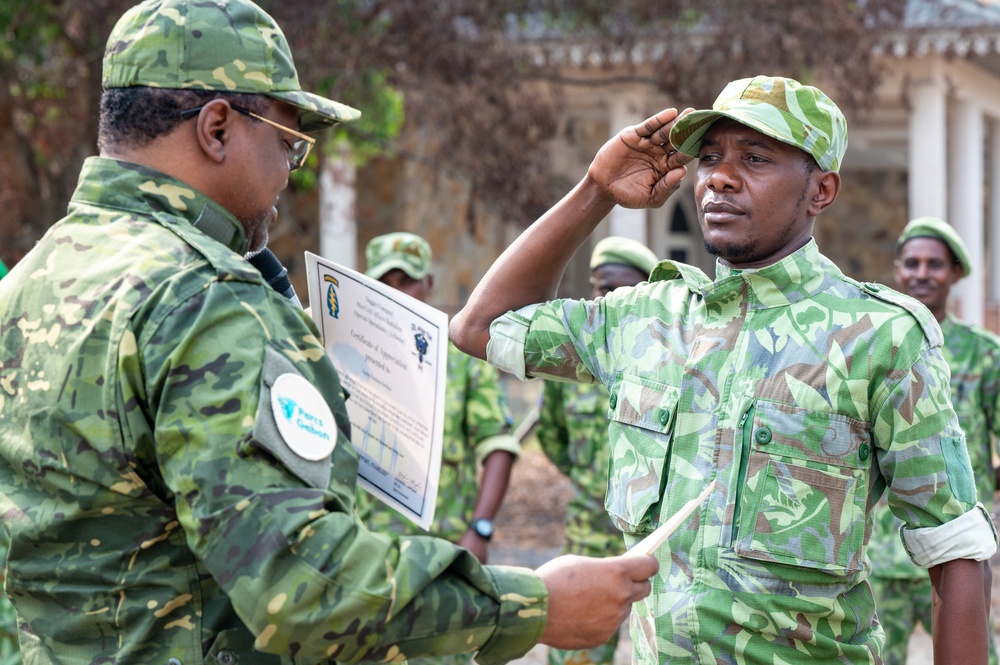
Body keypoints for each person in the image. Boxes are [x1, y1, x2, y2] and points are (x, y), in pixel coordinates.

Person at [0, 1, 658, 662]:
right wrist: (532, 605)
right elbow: (304, 587)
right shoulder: (202, 297)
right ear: (218, 128)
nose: (293, 170)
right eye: (288, 141)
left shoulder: (30, 280)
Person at [449, 75, 998, 664]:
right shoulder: (646, 319)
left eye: (755, 158)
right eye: (709, 158)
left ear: (821, 190)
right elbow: (480, 327)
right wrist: (595, 189)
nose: (719, 177)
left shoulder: (881, 335)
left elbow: (955, 550)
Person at [869, 216, 1000, 665]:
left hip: (955, 553)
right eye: (912, 263)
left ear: (955, 274)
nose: (921, 273)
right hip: (882, 555)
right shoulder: (880, 348)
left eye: (935, 264)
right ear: (898, 270)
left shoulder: (984, 353)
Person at [359, 231, 519, 567]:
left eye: (407, 280)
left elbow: (497, 444)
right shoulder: (353, 352)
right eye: (384, 281)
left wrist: (480, 529)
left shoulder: (459, 357)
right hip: (369, 548)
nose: (396, 292)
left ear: (429, 283)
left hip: (446, 547)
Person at [536, 236, 659, 665]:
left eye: (617, 289)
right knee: (578, 655)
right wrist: (590, 482)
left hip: (659, 538)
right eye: (598, 287)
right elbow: (551, 435)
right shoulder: (574, 363)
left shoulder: (670, 362)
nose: (603, 299)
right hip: (590, 531)